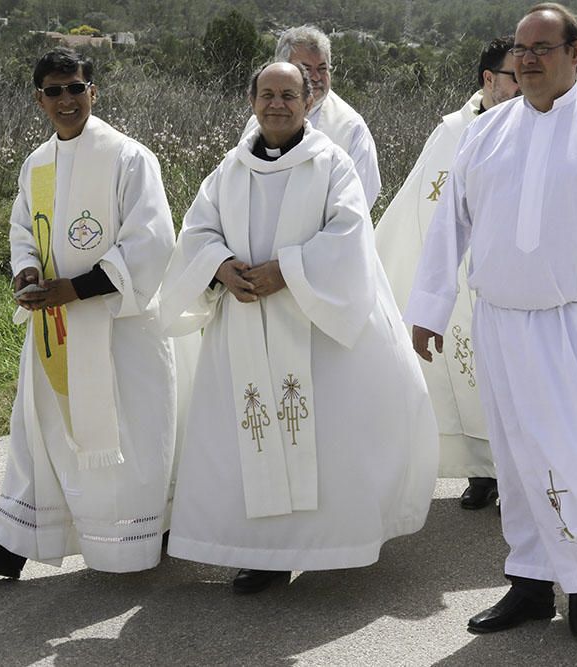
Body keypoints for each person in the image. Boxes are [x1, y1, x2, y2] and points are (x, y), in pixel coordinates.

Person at [406, 4, 577, 637]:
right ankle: (529, 583)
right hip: (501, 322)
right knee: (515, 456)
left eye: (542, 48)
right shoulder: (486, 131)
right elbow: (451, 226)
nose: (528, 59)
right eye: (520, 50)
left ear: (575, 53)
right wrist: (429, 307)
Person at [158, 62, 438, 595]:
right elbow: (196, 231)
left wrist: (284, 270)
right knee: (251, 440)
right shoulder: (230, 170)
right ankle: (261, 556)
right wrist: (219, 266)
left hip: (313, 330)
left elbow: (350, 234)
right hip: (243, 323)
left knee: (321, 440)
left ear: (309, 102)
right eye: (267, 94)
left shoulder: (331, 165)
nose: (277, 104)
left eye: (289, 94)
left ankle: (324, 546)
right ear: (251, 99)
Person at [0, 48, 178, 577]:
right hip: (54, 326)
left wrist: (78, 288)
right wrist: (26, 272)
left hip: (118, 329)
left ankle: (142, 537)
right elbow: (23, 231)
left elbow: (151, 243)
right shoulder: (38, 164)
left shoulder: (129, 158)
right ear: (39, 99)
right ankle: (11, 542)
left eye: (76, 88)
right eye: (55, 91)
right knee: (38, 434)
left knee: (127, 437)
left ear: (93, 92)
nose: (66, 100)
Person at [375, 36, 519, 512]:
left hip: (509, 280)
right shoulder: (451, 132)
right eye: (515, 76)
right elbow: (420, 204)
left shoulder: (532, 123)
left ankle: (517, 477)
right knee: (464, 379)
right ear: (489, 79)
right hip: (460, 283)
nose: (524, 84)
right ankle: (482, 472)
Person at [241, 25, 381, 209]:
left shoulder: (350, 128)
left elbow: (359, 201)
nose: (316, 77)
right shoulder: (259, 120)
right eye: (305, 69)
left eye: (322, 69)